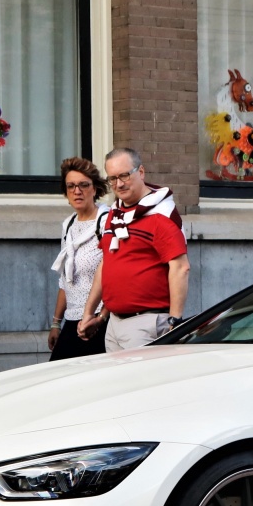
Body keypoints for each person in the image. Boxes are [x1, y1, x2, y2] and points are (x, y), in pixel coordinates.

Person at [78, 147, 189, 352]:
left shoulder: (161, 215)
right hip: (113, 323)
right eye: (112, 179)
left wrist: (175, 321)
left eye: (124, 175)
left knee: (144, 383)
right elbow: (107, 264)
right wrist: (92, 314)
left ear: (141, 172)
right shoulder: (116, 213)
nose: (119, 184)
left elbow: (180, 268)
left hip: (146, 323)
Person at [48, 157, 110, 360]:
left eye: (84, 185)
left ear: (95, 188)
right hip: (72, 320)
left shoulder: (107, 221)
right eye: (71, 186)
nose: (77, 191)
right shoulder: (68, 226)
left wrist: (101, 318)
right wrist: (56, 323)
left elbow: (117, 274)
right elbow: (65, 280)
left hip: (99, 321)